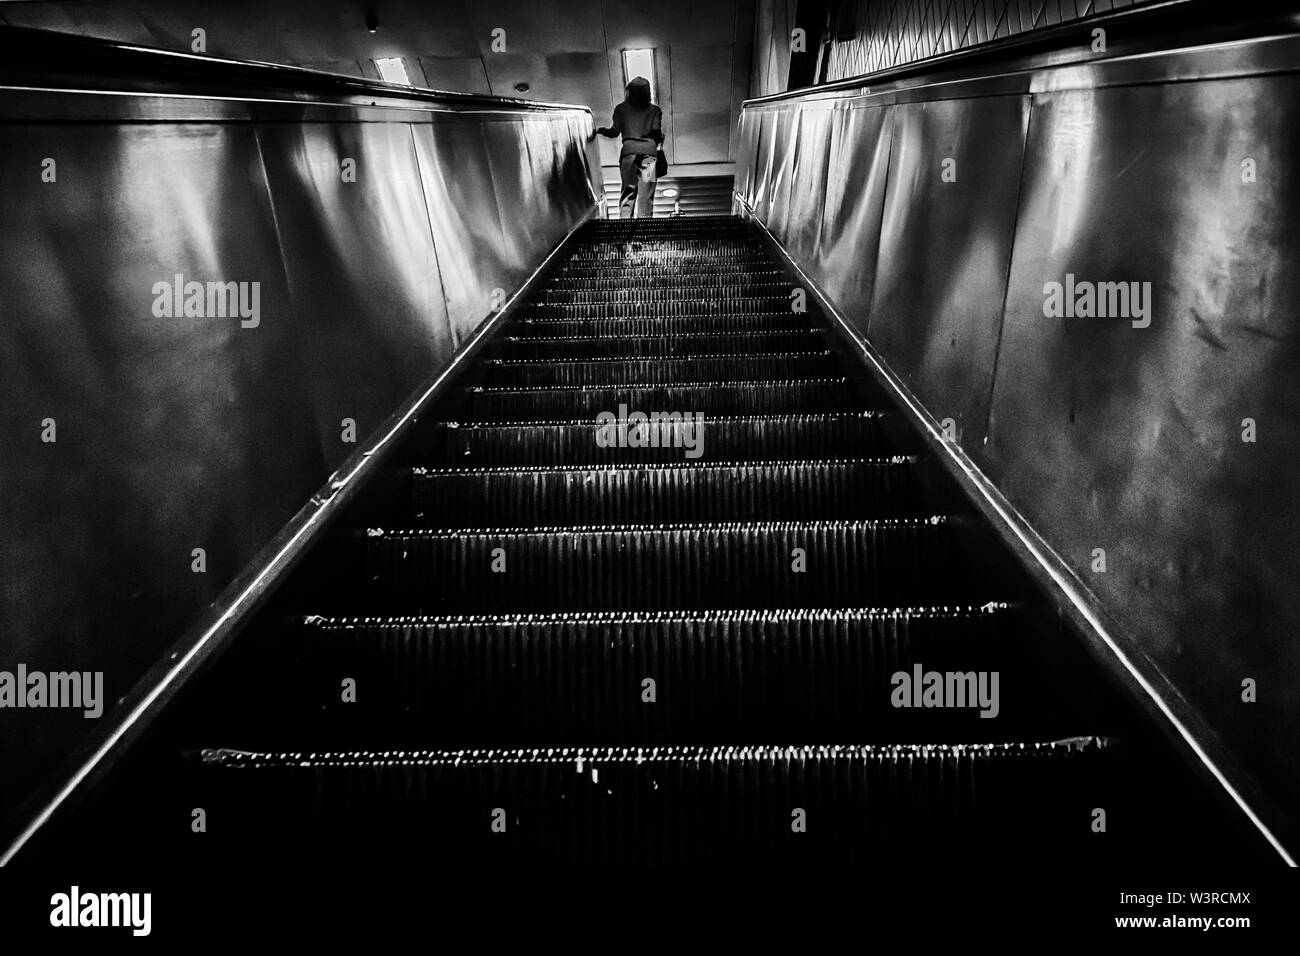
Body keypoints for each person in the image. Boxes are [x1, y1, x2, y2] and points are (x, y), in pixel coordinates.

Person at [595, 76, 663, 219]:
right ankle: (644, 233)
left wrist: (600, 130)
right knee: (646, 195)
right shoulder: (654, 110)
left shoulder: (621, 109)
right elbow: (656, 131)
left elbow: (614, 132)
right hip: (649, 156)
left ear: (630, 91)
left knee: (628, 191)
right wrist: (659, 138)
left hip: (628, 155)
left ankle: (625, 229)